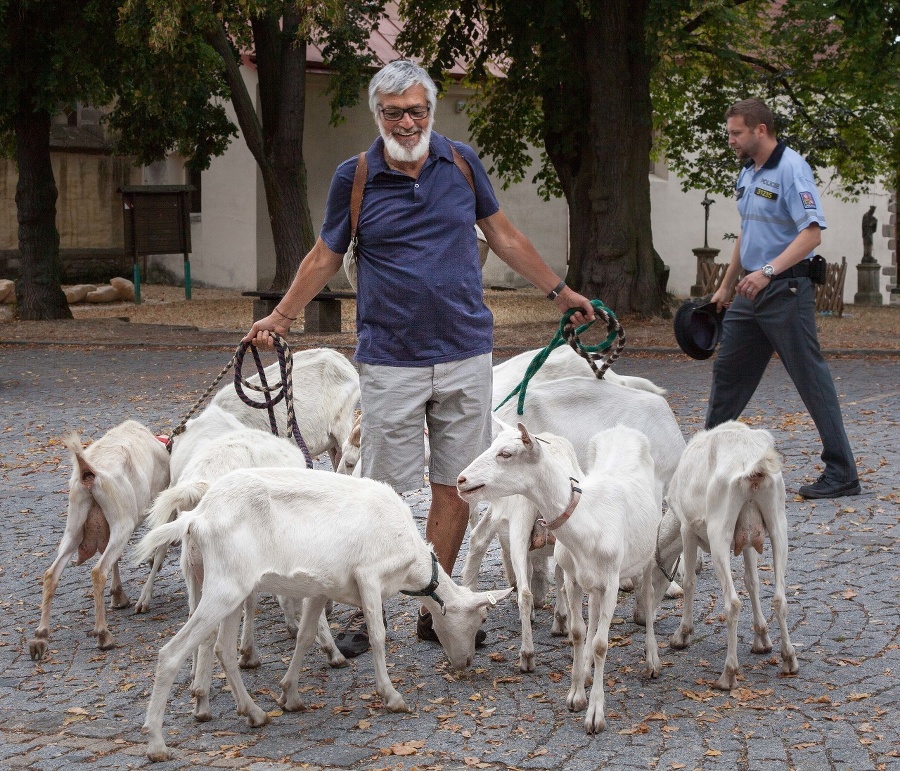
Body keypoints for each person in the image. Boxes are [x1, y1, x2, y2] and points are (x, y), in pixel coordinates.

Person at [243, 60, 594, 655]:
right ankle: (362, 612)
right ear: (377, 114)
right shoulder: (354, 177)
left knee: (455, 486)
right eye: (394, 112)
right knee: (376, 491)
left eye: (417, 110)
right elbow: (326, 254)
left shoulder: (460, 163)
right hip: (389, 359)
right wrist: (279, 317)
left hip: (464, 352)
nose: (407, 122)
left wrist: (560, 292)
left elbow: (504, 236)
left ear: (431, 111)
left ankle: (437, 605)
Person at [706, 98, 860, 499]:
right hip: (750, 292)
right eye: (730, 133)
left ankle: (843, 472)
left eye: (736, 133)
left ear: (760, 130)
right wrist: (726, 285)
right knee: (727, 375)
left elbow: (811, 234)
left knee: (810, 379)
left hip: (785, 289)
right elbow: (747, 230)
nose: (731, 140)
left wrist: (768, 271)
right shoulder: (748, 172)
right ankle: (703, 461)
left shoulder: (792, 169)